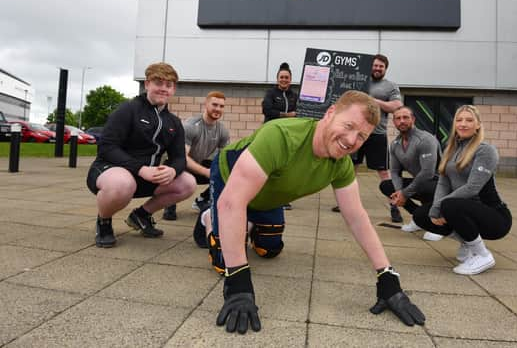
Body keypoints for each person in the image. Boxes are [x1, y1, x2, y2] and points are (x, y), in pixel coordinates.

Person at [193, 90, 425, 334]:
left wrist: (387, 275)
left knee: (269, 250)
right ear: (330, 113)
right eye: (348, 125)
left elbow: (357, 217)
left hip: (270, 194)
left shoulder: (342, 165)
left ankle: (244, 223)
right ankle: (208, 216)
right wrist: (238, 283)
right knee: (225, 262)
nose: (350, 140)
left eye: (361, 136)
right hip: (231, 182)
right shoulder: (281, 135)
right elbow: (232, 201)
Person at [87, 62, 196, 248]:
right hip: (111, 172)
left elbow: (179, 158)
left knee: (187, 183)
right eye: (158, 83)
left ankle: (141, 215)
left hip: (146, 177)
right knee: (122, 184)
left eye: (168, 85)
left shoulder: (174, 122)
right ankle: (104, 221)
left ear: (173, 89)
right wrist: (140, 169)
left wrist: (172, 170)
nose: (163, 89)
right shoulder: (128, 109)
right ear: (147, 84)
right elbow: (107, 147)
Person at [412, 105, 512, 275]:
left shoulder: (486, 150)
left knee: (450, 205)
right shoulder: (450, 149)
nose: (463, 124)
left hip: (495, 217)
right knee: (421, 215)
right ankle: (468, 242)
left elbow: (473, 188)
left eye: (469, 120)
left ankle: (483, 255)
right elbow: (443, 183)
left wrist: (441, 206)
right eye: (459, 120)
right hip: (463, 210)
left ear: (478, 125)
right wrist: (436, 208)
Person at [332, 54, 402, 222]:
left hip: (376, 135)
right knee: (350, 168)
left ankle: (394, 206)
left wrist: (373, 101)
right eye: (375, 65)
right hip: (355, 133)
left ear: (385, 69)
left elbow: (396, 106)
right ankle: (345, 203)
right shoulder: (358, 81)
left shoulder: (390, 86)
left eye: (381, 66)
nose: (377, 68)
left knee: (383, 172)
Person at [162, 91, 230, 220]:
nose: (218, 109)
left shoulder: (222, 130)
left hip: (197, 163)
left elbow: (224, 157)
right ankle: (169, 205)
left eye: (221, 106)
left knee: (227, 171)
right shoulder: (191, 126)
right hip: (176, 164)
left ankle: (202, 199)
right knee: (175, 167)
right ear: (206, 104)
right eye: (214, 105)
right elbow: (182, 157)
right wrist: (206, 172)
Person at [379, 106, 442, 240]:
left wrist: (404, 193)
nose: (402, 121)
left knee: (424, 185)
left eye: (405, 117)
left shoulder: (425, 139)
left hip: (440, 184)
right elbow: (395, 171)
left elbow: (427, 173)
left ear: (413, 119)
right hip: (420, 183)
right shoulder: (395, 144)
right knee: (386, 185)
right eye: (398, 118)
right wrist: (399, 192)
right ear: (394, 122)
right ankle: (420, 219)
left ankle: (438, 224)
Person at [261, 62, 298, 210]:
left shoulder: (295, 96)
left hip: (288, 136)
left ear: (290, 80)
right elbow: (267, 110)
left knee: (285, 167)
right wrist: (287, 115)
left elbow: (299, 112)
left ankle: (281, 198)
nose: (284, 79)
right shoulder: (271, 93)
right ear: (277, 79)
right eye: (281, 77)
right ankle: (265, 194)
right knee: (270, 165)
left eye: (286, 77)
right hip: (271, 133)